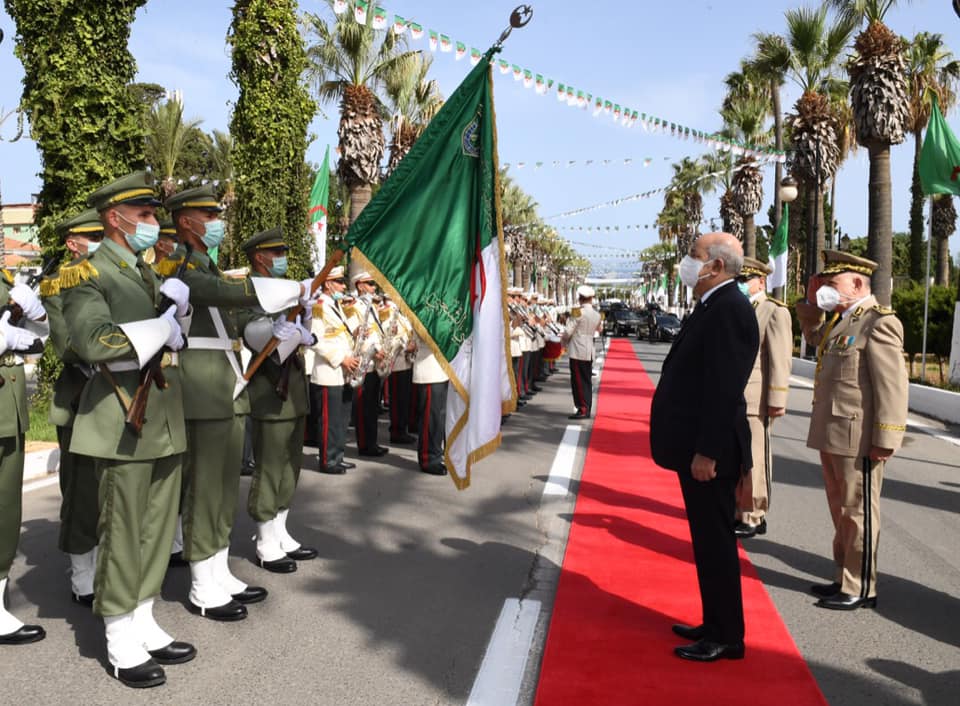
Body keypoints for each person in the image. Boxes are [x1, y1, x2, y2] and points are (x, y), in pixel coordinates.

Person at [61, 171, 194, 687]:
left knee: (157, 527)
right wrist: (162, 327)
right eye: (144, 216)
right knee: (123, 531)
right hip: (121, 418)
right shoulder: (88, 274)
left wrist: (175, 318)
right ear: (115, 219)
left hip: (159, 416)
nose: (152, 224)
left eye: (153, 214)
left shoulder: (144, 273)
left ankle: (143, 617)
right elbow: (94, 342)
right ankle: (118, 634)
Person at [162, 184, 311, 613]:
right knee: (204, 489)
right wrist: (285, 291)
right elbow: (228, 296)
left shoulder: (205, 265)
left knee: (223, 488)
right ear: (188, 221)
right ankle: (201, 584)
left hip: (225, 386)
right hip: (202, 387)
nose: (216, 223)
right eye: (209, 216)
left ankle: (218, 569)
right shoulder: (181, 266)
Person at [649, 232, 759, 662]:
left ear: (715, 266)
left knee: (715, 544)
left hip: (711, 453)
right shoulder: (713, 304)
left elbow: (724, 390)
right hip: (698, 446)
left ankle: (727, 635)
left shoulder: (730, 309)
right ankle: (714, 621)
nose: (687, 262)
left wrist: (708, 452)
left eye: (694, 256)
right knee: (706, 542)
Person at [796, 250, 909, 610]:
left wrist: (886, 438)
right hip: (833, 432)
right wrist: (810, 300)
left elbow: (891, 387)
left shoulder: (878, 322)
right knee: (840, 509)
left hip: (858, 436)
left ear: (858, 283)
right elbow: (812, 336)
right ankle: (843, 576)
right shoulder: (841, 321)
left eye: (833, 284)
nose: (827, 289)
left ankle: (861, 586)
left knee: (857, 510)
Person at [238, 228, 318, 572]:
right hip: (270, 388)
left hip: (294, 387)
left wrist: (306, 317)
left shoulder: (286, 291)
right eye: (278, 252)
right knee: (270, 466)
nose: (283, 257)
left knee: (290, 464)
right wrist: (274, 332)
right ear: (260, 257)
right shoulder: (249, 291)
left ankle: (282, 530)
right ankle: (265, 538)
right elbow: (250, 332)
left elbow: (302, 332)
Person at [41, 210, 104, 606]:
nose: (99, 240)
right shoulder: (61, 283)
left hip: (116, 397)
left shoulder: (112, 275)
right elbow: (66, 345)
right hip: (80, 397)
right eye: (92, 235)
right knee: (82, 491)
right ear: (72, 243)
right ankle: (83, 573)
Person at [1, 267, 48, 646]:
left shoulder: (6, 284)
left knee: (5, 511)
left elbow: (41, 341)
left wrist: (39, 317)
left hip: (8, 413)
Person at [734, 257, 792, 539]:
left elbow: (780, 359)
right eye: (738, 280)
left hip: (756, 398)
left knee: (755, 458)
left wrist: (777, 398)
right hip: (733, 397)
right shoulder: (737, 308)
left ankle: (754, 514)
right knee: (736, 459)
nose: (741, 285)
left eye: (746, 280)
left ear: (761, 281)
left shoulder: (772, 311)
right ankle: (739, 508)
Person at [308, 266, 360, 474]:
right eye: (339, 281)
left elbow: (340, 335)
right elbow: (316, 339)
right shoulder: (320, 306)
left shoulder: (336, 305)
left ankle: (338, 455)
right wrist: (342, 359)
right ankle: (327, 460)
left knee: (340, 420)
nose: (343, 286)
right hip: (329, 372)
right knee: (329, 420)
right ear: (328, 284)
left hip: (342, 372)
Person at [350, 271, 388, 457]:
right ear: (360, 285)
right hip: (363, 363)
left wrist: (381, 350)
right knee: (363, 407)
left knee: (372, 406)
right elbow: (354, 335)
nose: (374, 288)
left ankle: (372, 442)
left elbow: (374, 332)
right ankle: (365, 444)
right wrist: (372, 351)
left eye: (375, 284)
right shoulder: (353, 305)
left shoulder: (370, 306)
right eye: (371, 283)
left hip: (374, 362)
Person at [562, 285, 602, 419]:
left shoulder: (577, 312)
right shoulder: (596, 314)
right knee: (586, 380)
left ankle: (582, 408)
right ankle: (587, 407)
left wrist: (563, 343)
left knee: (578, 381)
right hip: (589, 348)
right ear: (591, 299)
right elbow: (599, 329)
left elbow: (568, 331)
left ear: (580, 298)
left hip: (577, 349)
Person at [411, 334, 449, 475]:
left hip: (441, 367)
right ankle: (429, 459)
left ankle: (436, 453)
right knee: (430, 419)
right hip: (429, 366)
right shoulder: (424, 311)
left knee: (438, 417)